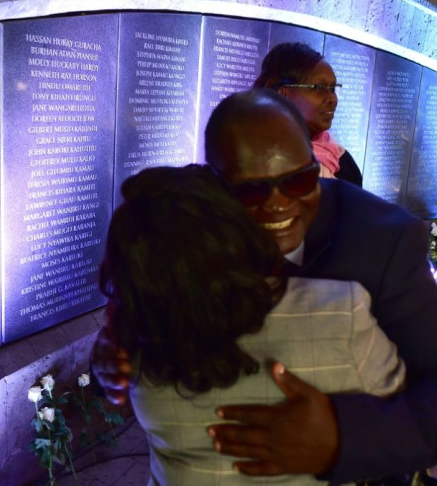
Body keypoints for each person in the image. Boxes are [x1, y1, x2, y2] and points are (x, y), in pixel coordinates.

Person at [91, 89, 437, 484]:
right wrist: (109, 360)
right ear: (216, 184)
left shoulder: (382, 242)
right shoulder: (193, 238)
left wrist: (340, 439)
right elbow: (128, 327)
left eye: (300, 181)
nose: (278, 203)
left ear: (315, 167)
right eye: (250, 190)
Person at [100, 164, 406, 485]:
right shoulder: (339, 310)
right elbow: (404, 415)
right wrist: (338, 433)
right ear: (233, 229)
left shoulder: (138, 338)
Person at [254, 42, 362, 186]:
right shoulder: (252, 160)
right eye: (319, 88)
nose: (332, 99)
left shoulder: (342, 162)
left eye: (332, 89)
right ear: (283, 94)